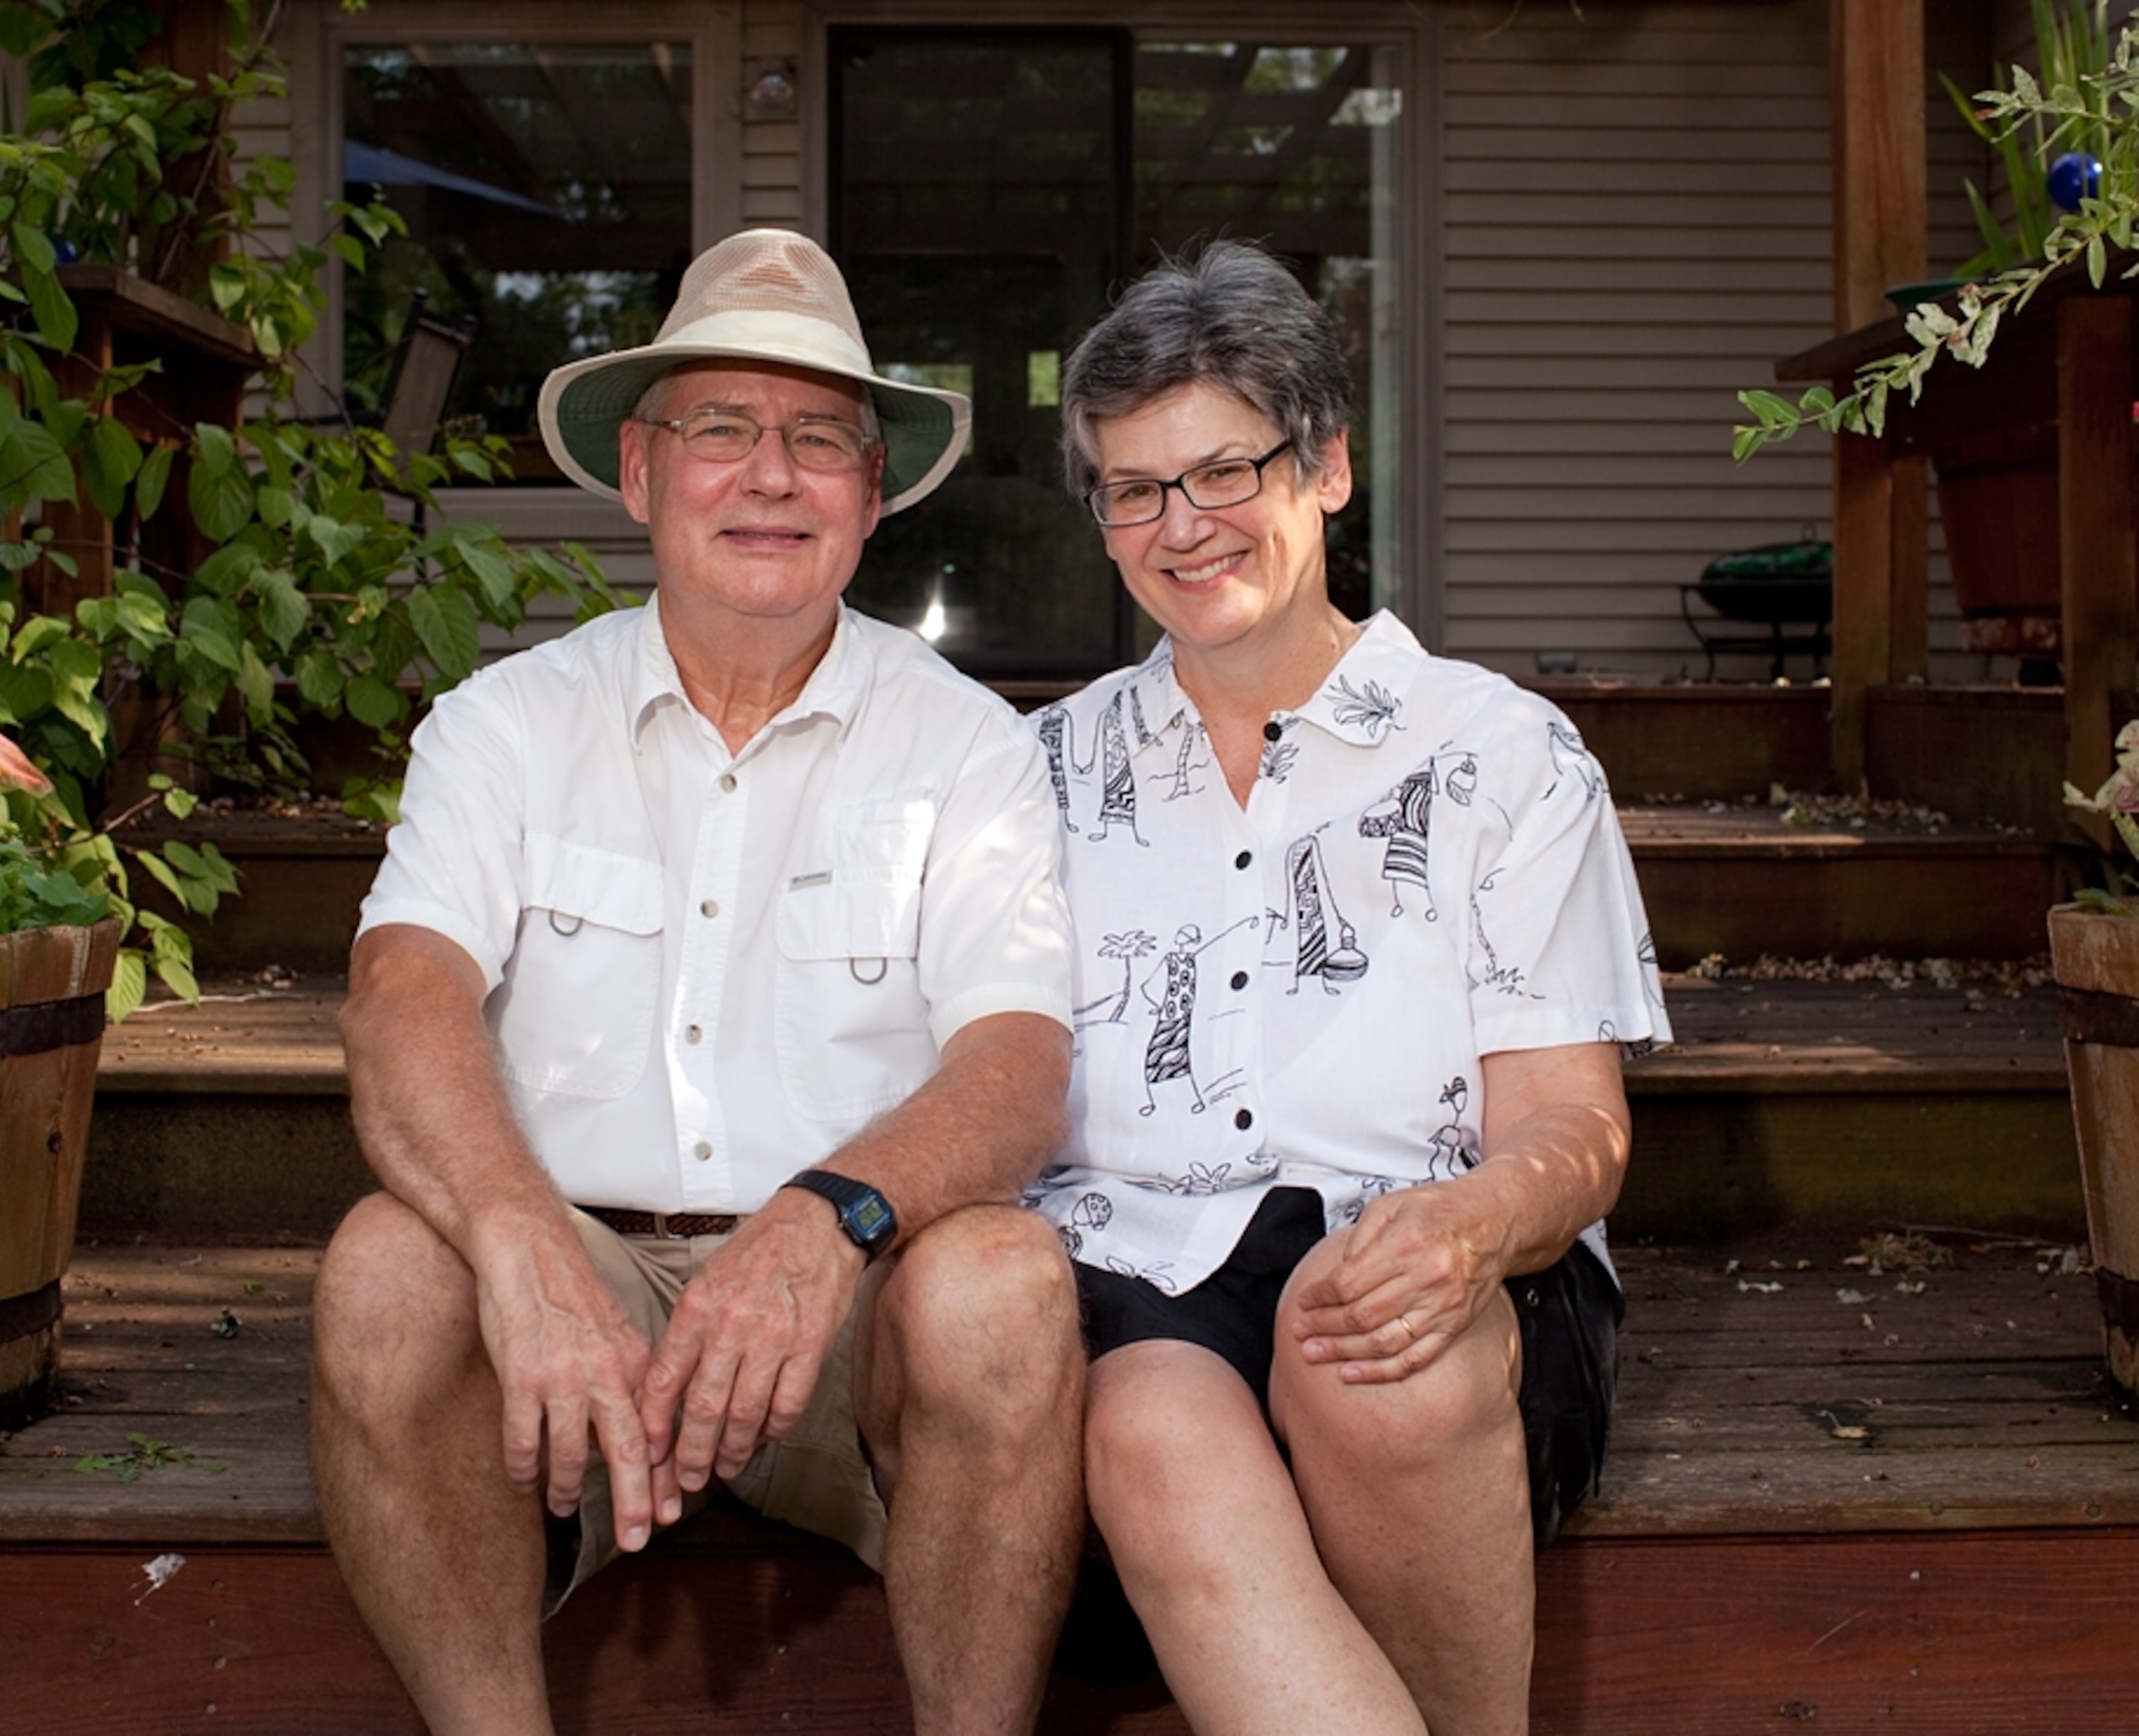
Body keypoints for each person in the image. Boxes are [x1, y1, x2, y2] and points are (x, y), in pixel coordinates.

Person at [310, 229, 1086, 1736]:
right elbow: (403, 995)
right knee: (387, 1272)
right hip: (578, 1286)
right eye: (721, 427)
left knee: (1005, 1285)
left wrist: (823, 1219)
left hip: (849, 1307)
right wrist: (520, 1237)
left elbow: (1017, 1069)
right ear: (641, 470)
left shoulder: (967, 744)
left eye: (819, 438)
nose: (771, 476)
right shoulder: (504, 723)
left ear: (872, 492)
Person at [1027, 241, 1672, 1736]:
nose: (1182, 526)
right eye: (1135, 488)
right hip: (1139, 1278)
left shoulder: (1502, 755)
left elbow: (1576, 1128)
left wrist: (1465, 1223)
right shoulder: (1039, 774)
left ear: (1326, 466)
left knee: (1367, 1341)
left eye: (1224, 471)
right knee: (1153, 1425)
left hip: (1458, 1275)